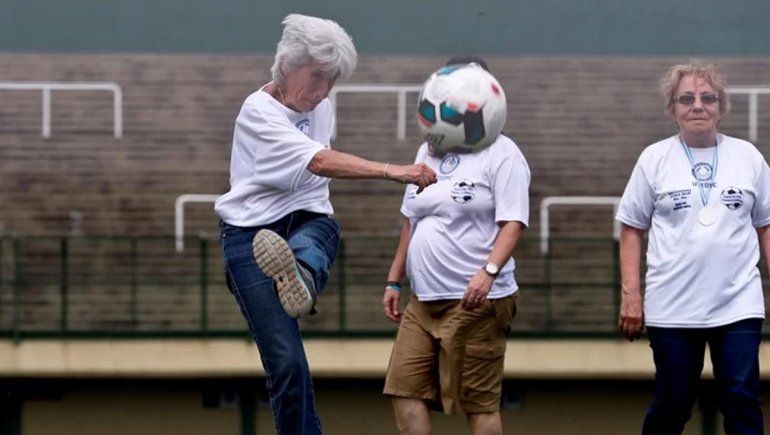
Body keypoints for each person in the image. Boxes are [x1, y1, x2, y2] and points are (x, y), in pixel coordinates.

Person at [215, 14, 437, 435]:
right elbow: (319, 161)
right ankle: (299, 272)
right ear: (286, 65)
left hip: (307, 221)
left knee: (325, 229)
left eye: (331, 81)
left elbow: (317, 173)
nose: (323, 91)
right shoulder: (258, 111)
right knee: (288, 364)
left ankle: (301, 273)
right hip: (250, 236)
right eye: (316, 76)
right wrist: (394, 171)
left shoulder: (322, 108)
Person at [616, 60, 770, 434]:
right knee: (674, 400)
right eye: (686, 99)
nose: (697, 106)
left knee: (742, 398)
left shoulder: (748, 156)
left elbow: (766, 225)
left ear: (721, 106)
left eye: (707, 98)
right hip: (672, 306)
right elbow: (632, 228)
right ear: (673, 108)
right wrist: (631, 295)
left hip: (737, 303)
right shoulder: (654, 158)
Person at [382, 57, 530, 435]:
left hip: (475, 301)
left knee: (477, 403)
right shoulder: (428, 150)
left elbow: (513, 222)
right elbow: (411, 219)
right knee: (403, 391)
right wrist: (394, 279)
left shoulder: (503, 152)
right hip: (423, 301)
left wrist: (488, 273)